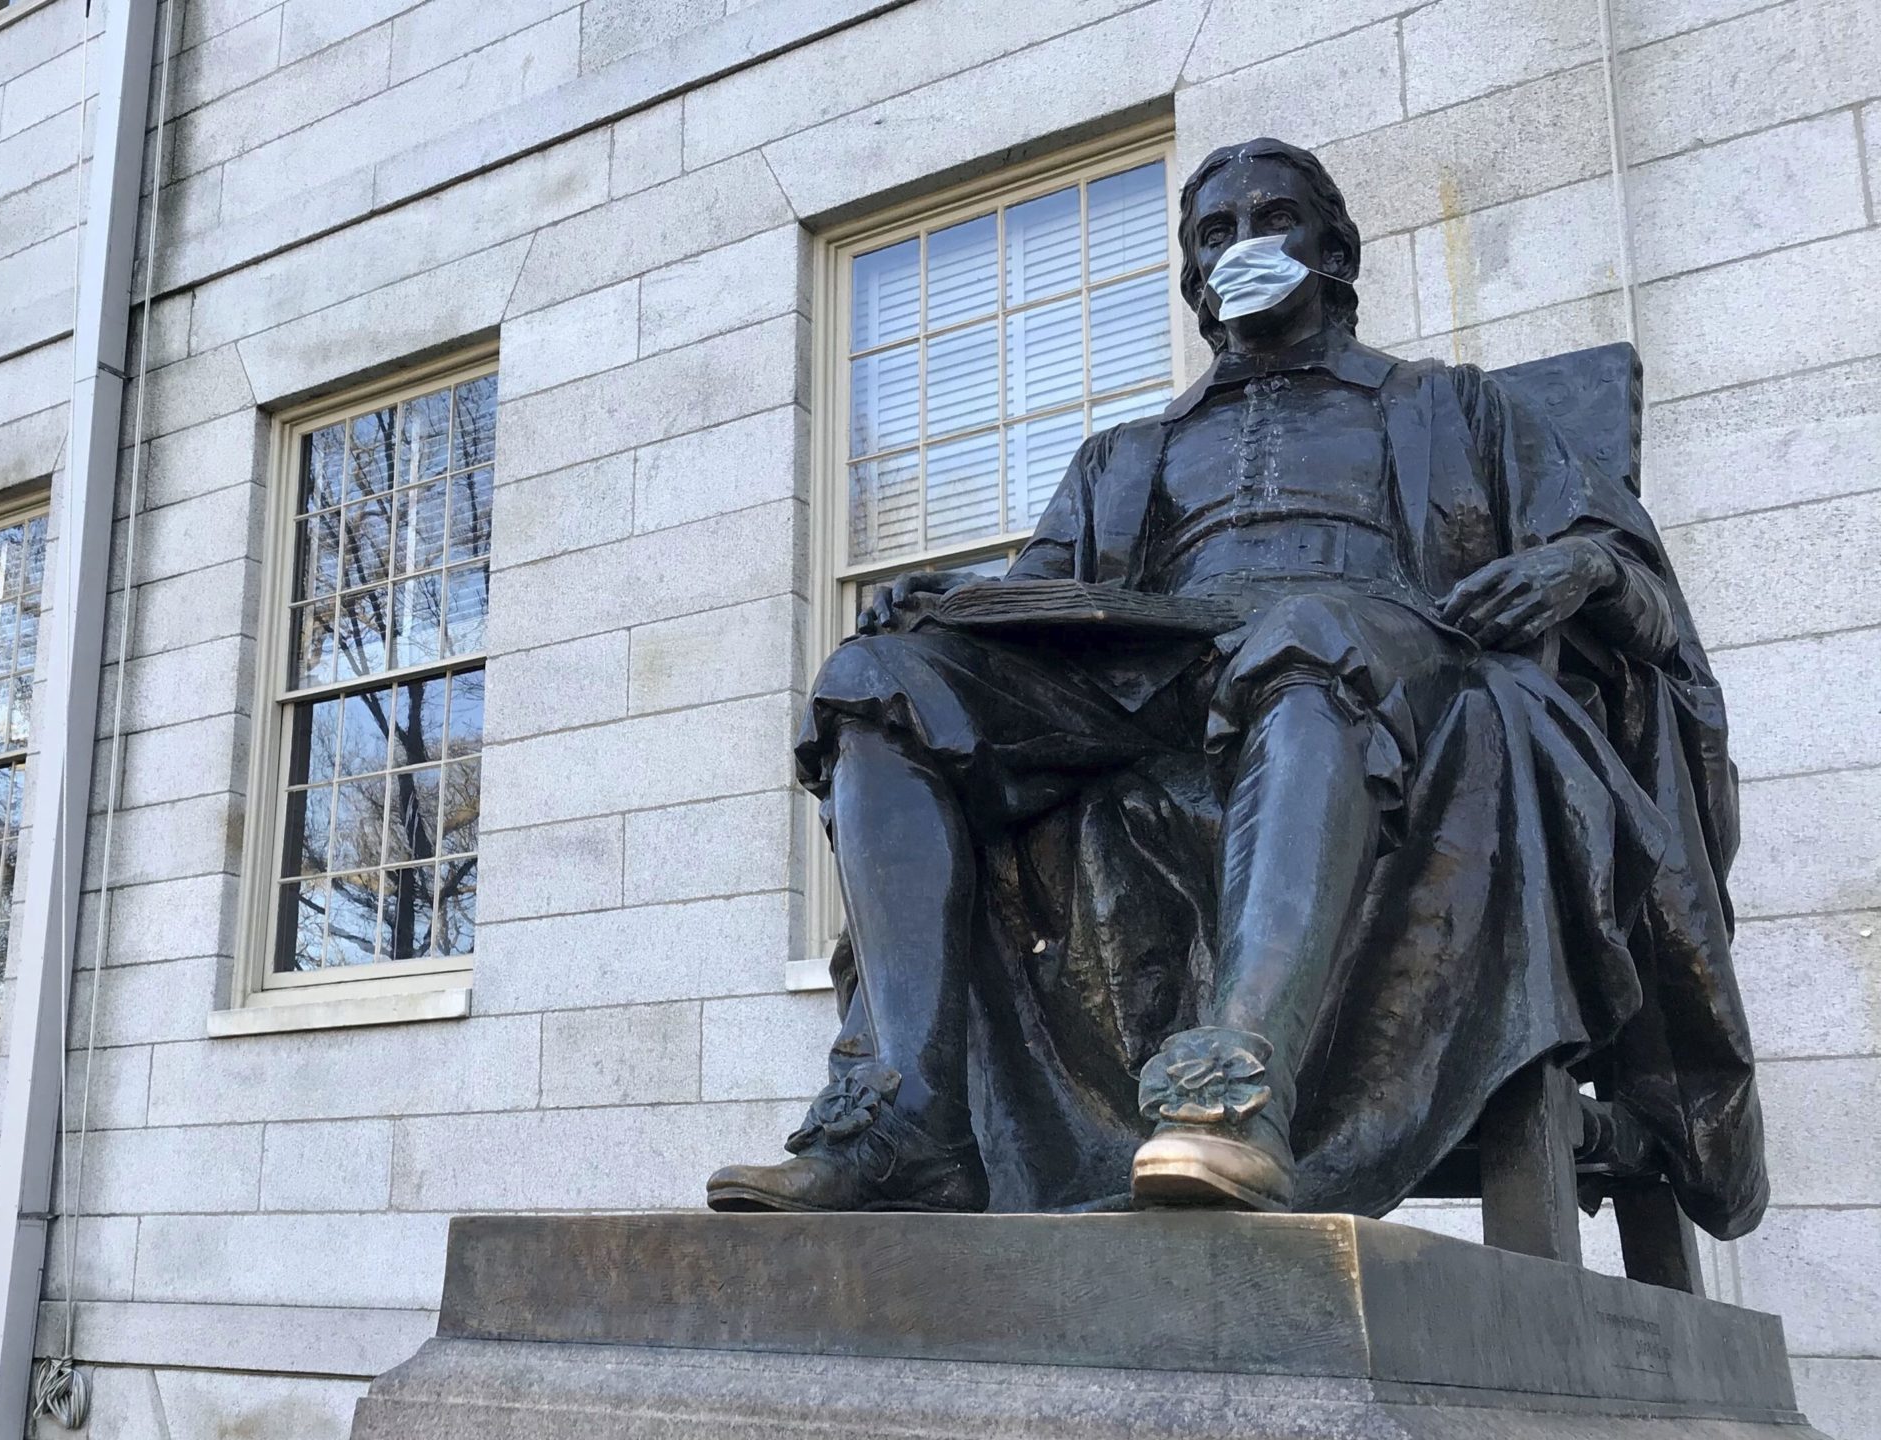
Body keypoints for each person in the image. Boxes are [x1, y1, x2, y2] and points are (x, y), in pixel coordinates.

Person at [707, 138, 1766, 1237]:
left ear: (1333, 250)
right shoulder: (1122, 454)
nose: (1243, 246)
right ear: (1192, 276)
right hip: (1147, 674)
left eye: (1273, 221)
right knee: (879, 679)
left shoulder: (1453, 407)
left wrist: (1579, 565)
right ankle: (908, 1125)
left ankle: (1236, 1091)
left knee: (1304, 635)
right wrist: (948, 609)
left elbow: (1624, 572)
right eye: (1216, 232)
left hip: (1395, 666)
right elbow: (1040, 607)